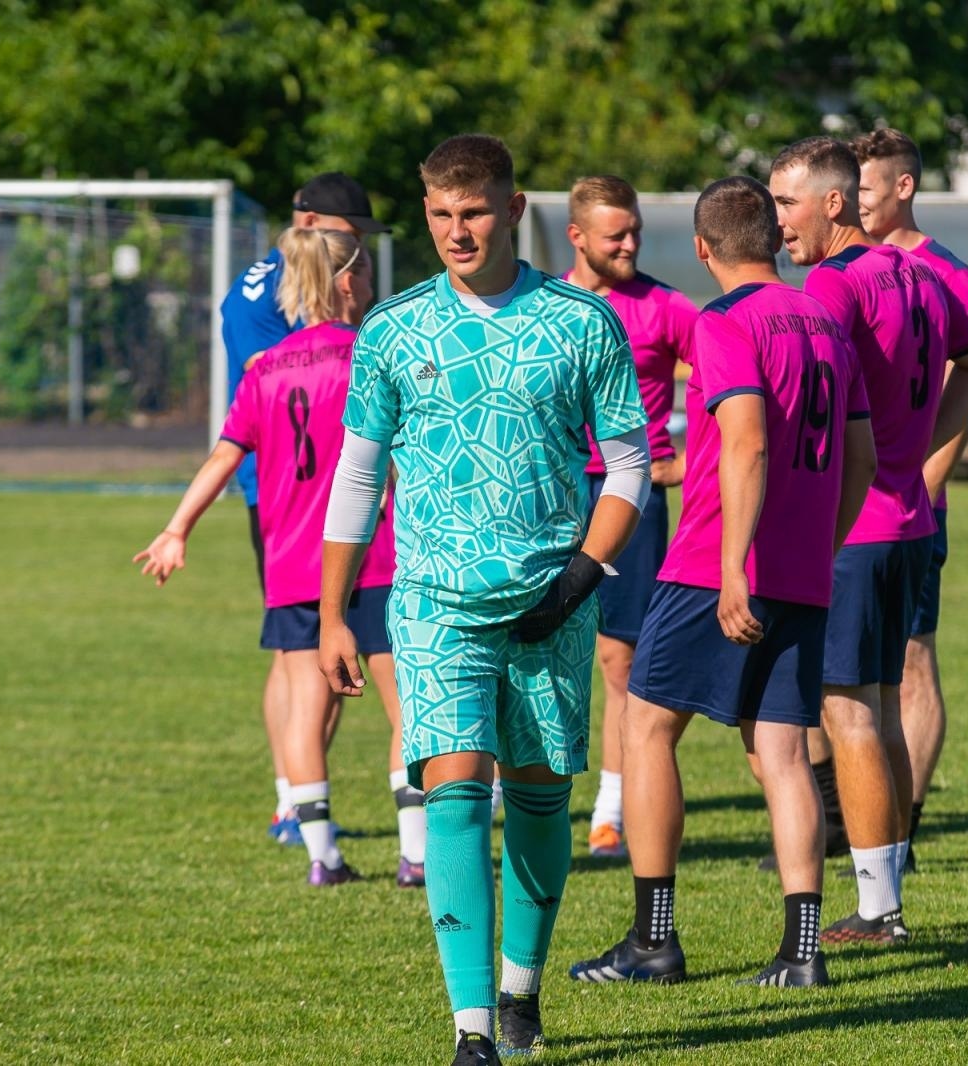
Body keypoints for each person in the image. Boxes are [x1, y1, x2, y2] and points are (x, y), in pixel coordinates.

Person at [318, 134, 650, 1065]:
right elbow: (358, 475)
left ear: (512, 210)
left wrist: (581, 577)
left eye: (472, 212)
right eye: (439, 215)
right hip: (434, 603)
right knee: (454, 794)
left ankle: (520, 990)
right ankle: (471, 1031)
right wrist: (333, 613)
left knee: (540, 799)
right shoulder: (393, 329)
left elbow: (630, 467)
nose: (455, 232)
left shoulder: (582, 322)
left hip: (554, 602)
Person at [568, 176, 876, 989]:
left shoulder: (724, 321)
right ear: (773, 238)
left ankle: (652, 941)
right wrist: (818, 547)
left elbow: (747, 443)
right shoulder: (826, 321)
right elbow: (864, 458)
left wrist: (736, 565)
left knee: (645, 727)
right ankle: (801, 951)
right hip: (802, 573)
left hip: (714, 564)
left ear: (703, 248)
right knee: (781, 751)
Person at [768, 136, 968, 946]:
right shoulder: (919, 275)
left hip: (856, 529)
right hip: (909, 519)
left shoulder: (833, 285)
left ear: (832, 203)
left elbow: (811, 400)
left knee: (850, 716)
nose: (776, 222)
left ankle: (878, 910)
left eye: (787, 203)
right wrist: (915, 455)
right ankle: (887, 896)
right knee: (882, 712)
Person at [137, 226, 422, 887]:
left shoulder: (264, 369)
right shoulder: (371, 356)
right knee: (407, 707)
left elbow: (224, 456)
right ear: (348, 282)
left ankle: (323, 857)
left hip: (293, 564)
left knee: (303, 710)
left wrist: (177, 528)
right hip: (374, 556)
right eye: (367, 274)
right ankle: (416, 856)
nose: (372, 286)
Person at [220, 173, 390, 847]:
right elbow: (270, 376)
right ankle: (293, 801)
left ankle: (300, 802)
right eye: (351, 236)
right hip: (292, 492)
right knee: (304, 651)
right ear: (312, 223)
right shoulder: (269, 292)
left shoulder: (286, 281)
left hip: (320, 487)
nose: (358, 252)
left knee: (309, 648)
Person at [853, 128, 968, 872]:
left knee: (910, 659)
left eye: (865, 190)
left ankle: (903, 831)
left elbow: (967, 381)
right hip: (845, 508)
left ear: (903, 187)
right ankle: (847, 817)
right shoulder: (846, 270)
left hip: (909, 508)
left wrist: (921, 484)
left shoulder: (944, 275)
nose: (852, 204)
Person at [562, 174, 697, 860]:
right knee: (521, 646)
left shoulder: (667, 307)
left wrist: (686, 463)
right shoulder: (544, 306)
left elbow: (731, 381)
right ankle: (501, 789)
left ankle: (609, 814)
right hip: (551, 498)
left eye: (635, 231)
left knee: (620, 660)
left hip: (633, 499)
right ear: (577, 236)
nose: (630, 245)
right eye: (615, 235)